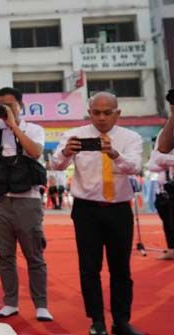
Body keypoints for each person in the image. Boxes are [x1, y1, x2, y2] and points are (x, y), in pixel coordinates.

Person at [49, 92, 144, 335]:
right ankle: (97, 321)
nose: (101, 118)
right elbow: (56, 165)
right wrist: (66, 152)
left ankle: (121, 322)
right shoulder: (75, 135)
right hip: (86, 210)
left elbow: (134, 167)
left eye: (107, 112)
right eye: (96, 112)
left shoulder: (130, 138)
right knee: (89, 268)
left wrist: (114, 153)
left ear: (117, 113)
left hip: (119, 210)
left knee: (121, 269)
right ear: (89, 113)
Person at [0, 86, 52, 321]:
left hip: (28, 199)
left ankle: (41, 305)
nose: (5, 110)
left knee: (34, 255)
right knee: (4, 255)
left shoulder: (33, 129)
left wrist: (13, 124)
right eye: (1, 106)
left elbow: (35, 152)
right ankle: (11, 302)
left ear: (21, 106)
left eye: (10, 105)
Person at [146, 146, 174, 260]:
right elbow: (152, 165)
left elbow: (159, 160)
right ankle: (171, 250)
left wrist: (164, 160)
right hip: (163, 192)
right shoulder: (162, 145)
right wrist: (169, 161)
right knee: (167, 222)